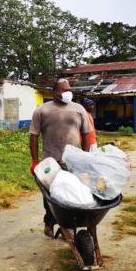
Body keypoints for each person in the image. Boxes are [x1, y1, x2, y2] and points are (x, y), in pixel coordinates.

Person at [29, 78, 91, 237]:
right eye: (64, 90)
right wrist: (35, 161)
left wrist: (85, 158)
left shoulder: (79, 109)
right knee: (50, 196)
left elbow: (86, 134)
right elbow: (34, 136)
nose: (68, 92)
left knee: (72, 194)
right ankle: (49, 223)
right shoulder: (42, 110)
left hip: (72, 162)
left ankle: (69, 228)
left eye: (69, 89)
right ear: (54, 92)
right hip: (50, 162)